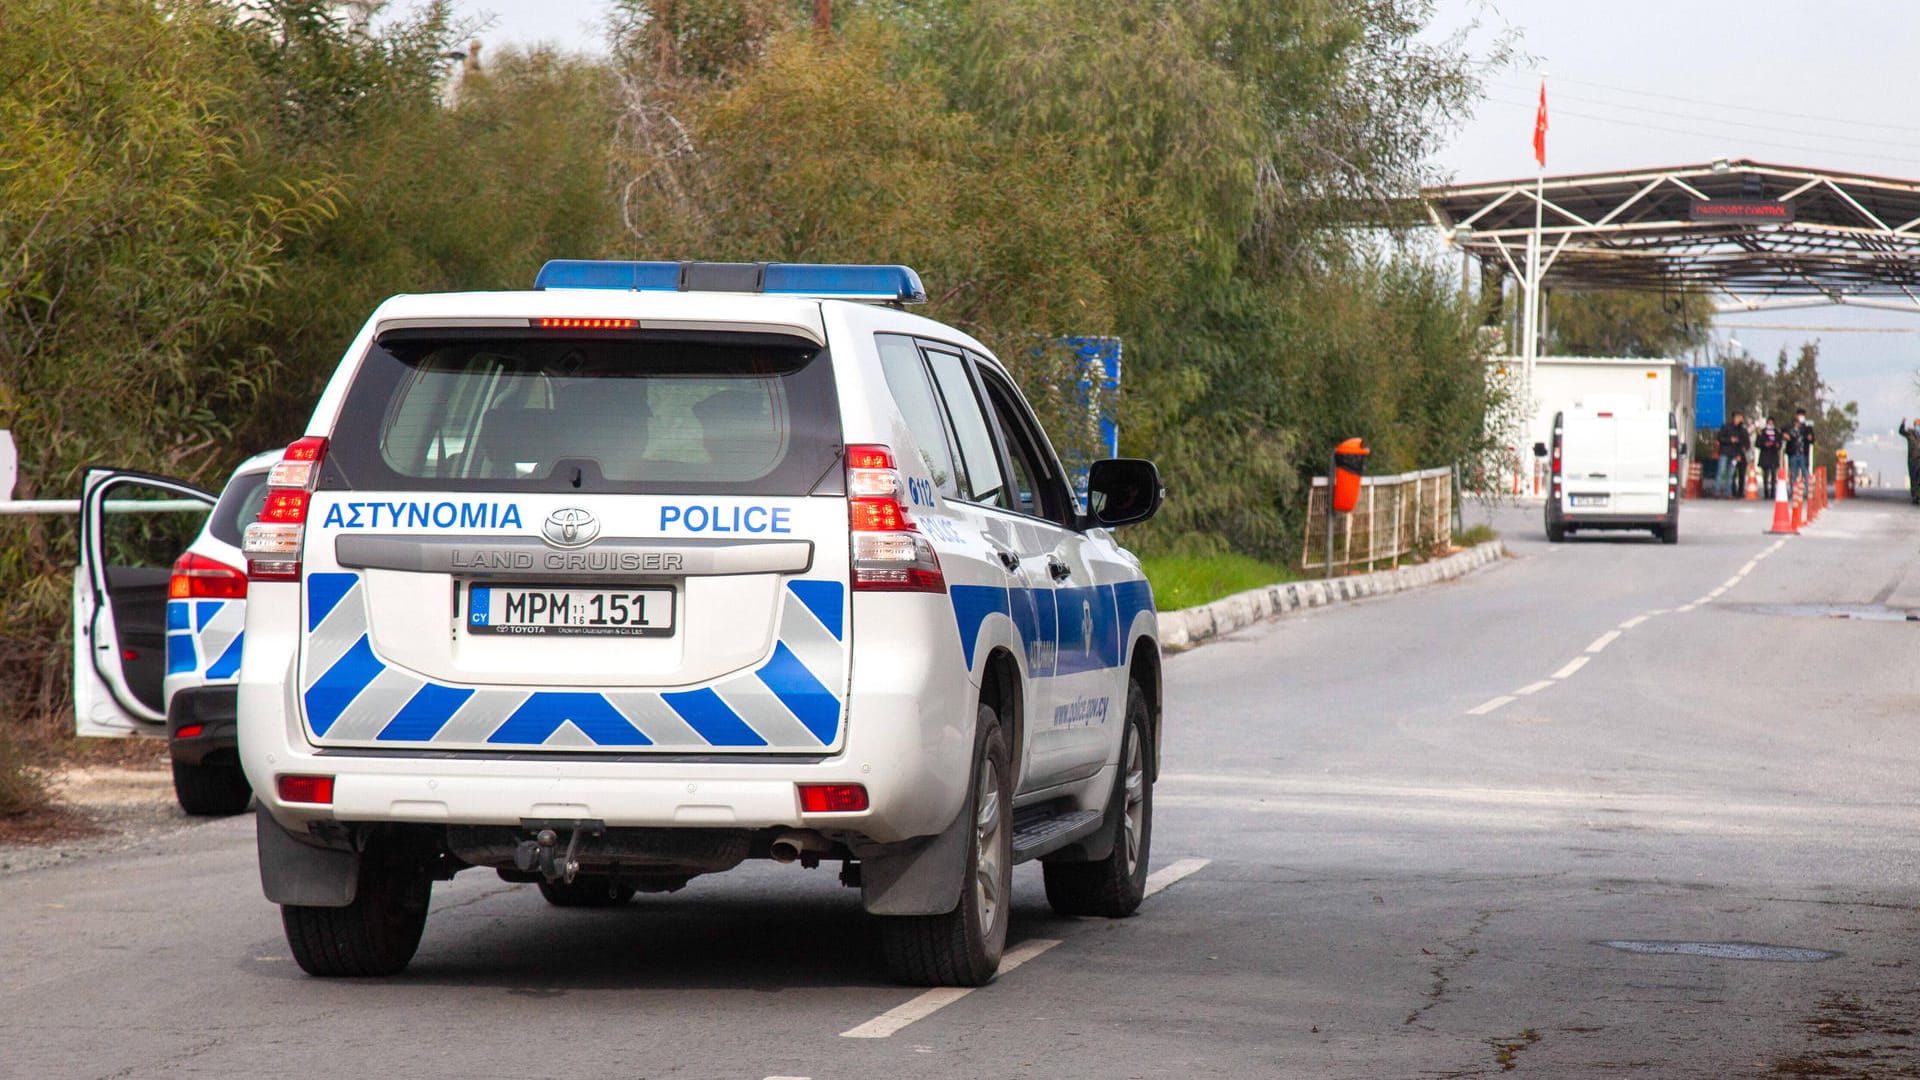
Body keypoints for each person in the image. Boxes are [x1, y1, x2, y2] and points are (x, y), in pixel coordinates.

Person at [1715, 412, 1750, 497]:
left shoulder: (1741, 430)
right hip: (1724, 452)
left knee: (1731, 474)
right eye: (1739, 418)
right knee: (1721, 472)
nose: (1741, 420)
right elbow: (1719, 438)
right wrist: (1730, 440)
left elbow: (1742, 444)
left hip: (1734, 454)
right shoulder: (1726, 427)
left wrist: (1739, 455)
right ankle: (1717, 490)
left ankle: (1729, 492)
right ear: (1735, 418)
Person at [1785, 407, 1815, 496]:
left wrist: (1810, 438)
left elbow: (1812, 440)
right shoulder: (1790, 427)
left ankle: (1808, 490)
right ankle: (1793, 490)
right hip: (1793, 453)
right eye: (1800, 415)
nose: (1801, 417)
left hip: (1803, 454)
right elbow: (1783, 433)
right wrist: (1785, 436)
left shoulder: (1807, 428)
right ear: (1796, 416)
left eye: (1803, 416)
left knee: (1805, 472)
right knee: (1793, 472)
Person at [1755, 416, 1783, 499]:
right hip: (1765, 456)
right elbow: (1757, 444)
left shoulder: (1777, 432)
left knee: (1774, 476)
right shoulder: (1762, 432)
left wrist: (1777, 445)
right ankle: (1766, 493)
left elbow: (1780, 443)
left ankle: (1773, 493)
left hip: (1774, 456)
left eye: (1772, 423)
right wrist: (1764, 444)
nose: (1770, 424)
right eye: (1769, 422)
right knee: (1766, 475)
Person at [1899, 418, 1920, 504]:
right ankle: (1915, 496)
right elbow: (1901, 431)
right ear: (1915, 425)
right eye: (1918, 425)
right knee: (1913, 478)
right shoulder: (1910, 433)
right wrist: (1902, 424)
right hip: (1912, 459)